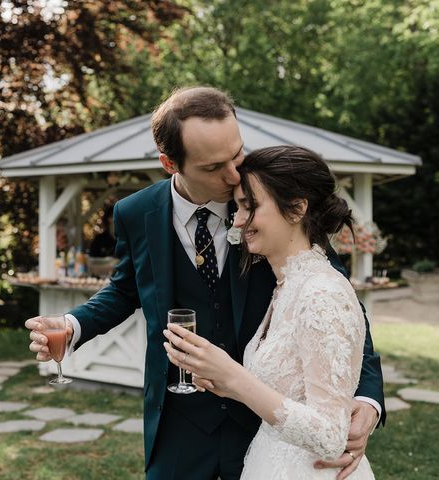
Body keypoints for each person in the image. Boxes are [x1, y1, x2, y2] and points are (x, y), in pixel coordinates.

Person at [26, 87, 385, 479]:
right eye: (214, 167)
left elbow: (341, 306)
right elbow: (125, 289)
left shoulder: (272, 204)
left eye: (237, 154)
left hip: (265, 423)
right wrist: (73, 325)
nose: (234, 176)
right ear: (169, 163)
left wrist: (366, 398)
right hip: (179, 422)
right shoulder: (135, 213)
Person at [164, 145, 377, 478]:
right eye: (237, 207)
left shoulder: (321, 293)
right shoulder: (285, 286)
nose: (237, 220)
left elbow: (330, 436)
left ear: (296, 209)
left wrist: (236, 377)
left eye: (250, 206)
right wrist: (225, 382)